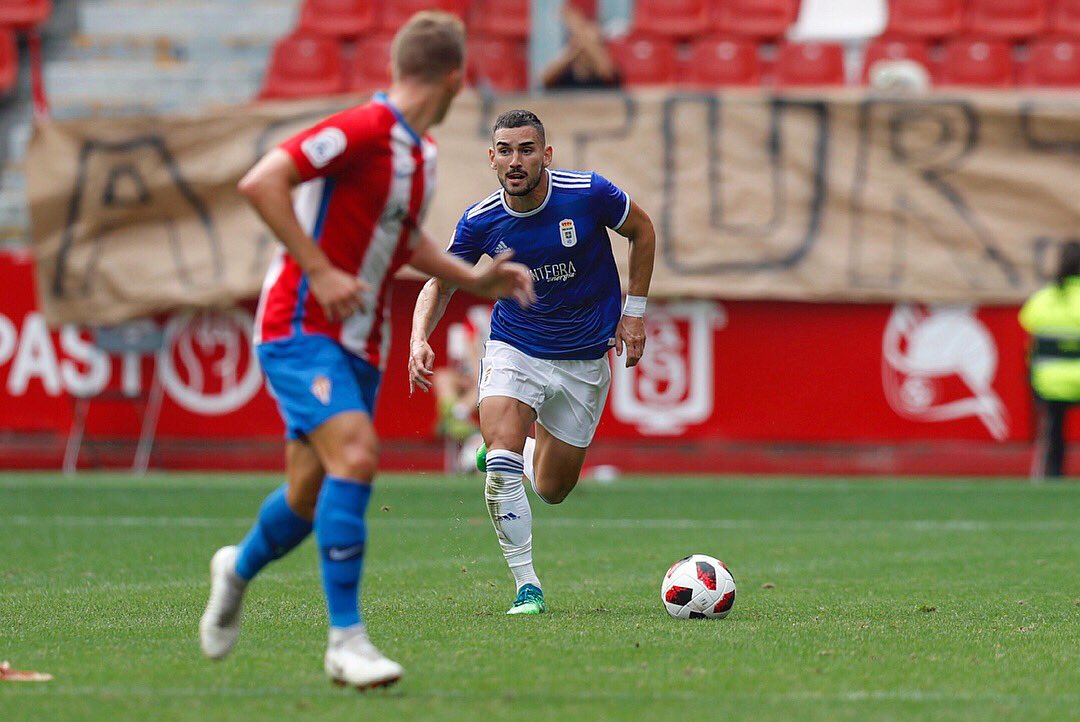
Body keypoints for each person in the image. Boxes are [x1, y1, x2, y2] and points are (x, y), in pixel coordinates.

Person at [198, 12, 534, 690]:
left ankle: (235, 569)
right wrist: (318, 267)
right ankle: (346, 642)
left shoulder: (421, 155)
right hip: (299, 323)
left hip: (361, 341)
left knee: (305, 495)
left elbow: (401, 239)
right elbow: (263, 180)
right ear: (455, 77)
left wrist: (474, 278)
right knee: (356, 453)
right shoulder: (364, 129)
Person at [408, 109, 656, 614]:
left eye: (526, 150)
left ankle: (513, 453)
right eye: (505, 150)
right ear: (492, 158)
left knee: (551, 490)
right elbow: (442, 280)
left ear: (546, 155)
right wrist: (418, 338)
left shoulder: (589, 193)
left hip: (585, 360)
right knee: (501, 459)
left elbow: (643, 232)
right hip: (515, 348)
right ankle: (527, 586)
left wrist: (634, 313)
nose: (515, 160)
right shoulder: (480, 221)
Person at [1019, 240, 1080, 480]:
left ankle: (1053, 472)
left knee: (1054, 423)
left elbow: (1027, 323)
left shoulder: (1042, 299)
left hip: (1049, 384)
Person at [540, 5, 621, 90]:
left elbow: (608, 72)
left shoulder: (603, 72)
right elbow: (544, 79)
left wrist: (576, 27)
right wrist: (576, 46)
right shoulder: (564, 73)